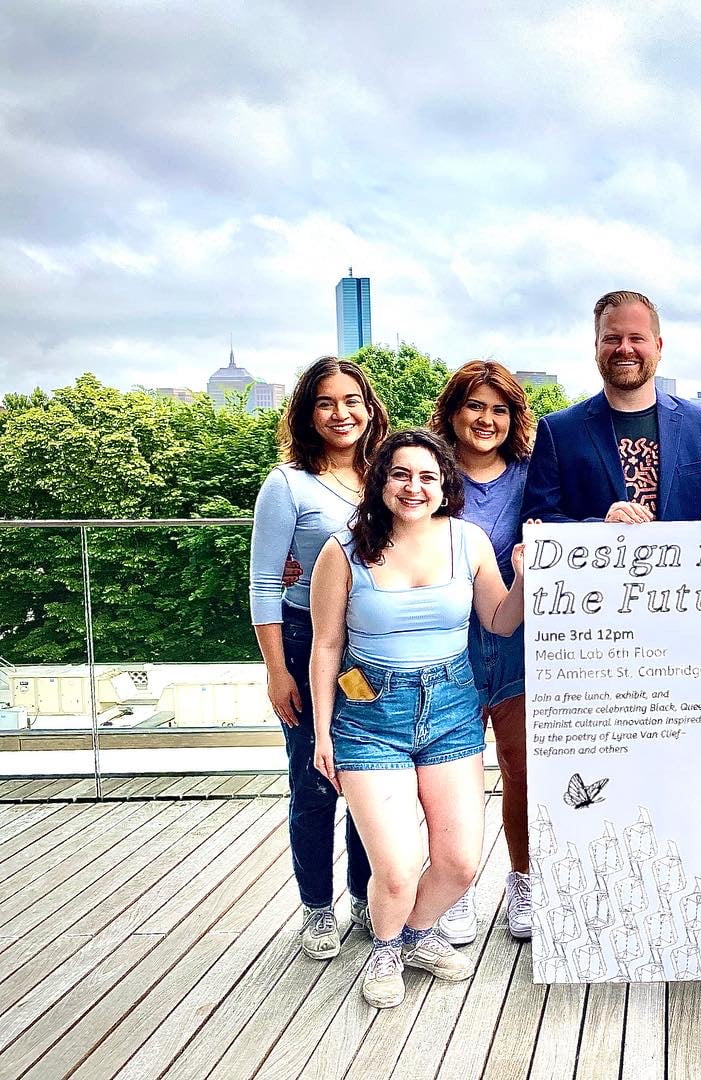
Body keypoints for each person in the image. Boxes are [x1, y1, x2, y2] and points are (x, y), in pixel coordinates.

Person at [309, 429, 527, 1009]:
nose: (414, 487)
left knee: (458, 864)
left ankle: (415, 934)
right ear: (380, 480)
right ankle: (384, 948)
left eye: (427, 476)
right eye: (401, 474)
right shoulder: (343, 550)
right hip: (368, 713)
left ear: (444, 484)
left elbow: (500, 622)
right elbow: (326, 646)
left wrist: (529, 577)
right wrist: (323, 733)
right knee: (399, 867)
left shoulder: (469, 540)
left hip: (453, 707)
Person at [249, 356, 388, 960]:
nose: (342, 413)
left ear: (370, 408)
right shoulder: (287, 484)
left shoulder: (382, 475)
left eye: (352, 400)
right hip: (310, 645)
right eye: (327, 402)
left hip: (366, 651)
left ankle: (364, 893)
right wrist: (278, 670)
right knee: (313, 781)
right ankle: (316, 908)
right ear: (308, 413)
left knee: (366, 774)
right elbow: (263, 584)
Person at [430, 360, 536, 942]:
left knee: (522, 772)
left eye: (500, 409)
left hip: (520, 646)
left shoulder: (531, 474)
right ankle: (456, 887)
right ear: (453, 411)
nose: (487, 420)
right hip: (447, 647)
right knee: (455, 777)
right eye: (475, 406)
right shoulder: (429, 475)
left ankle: (522, 880)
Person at [522, 290, 701, 523]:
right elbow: (537, 520)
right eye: (612, 338)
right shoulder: (558, 431)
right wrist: (600, 529)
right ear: (596, 346)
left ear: (658, 346)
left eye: (636, 338)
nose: (625, 348)